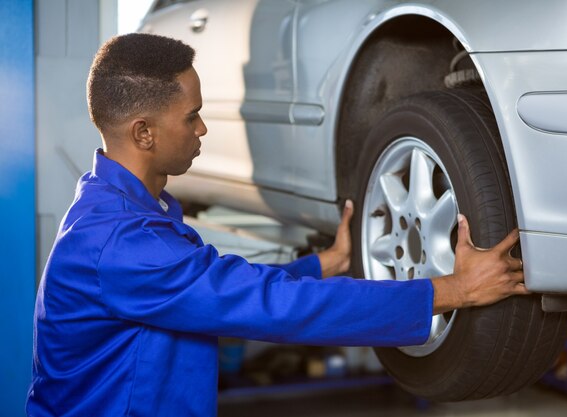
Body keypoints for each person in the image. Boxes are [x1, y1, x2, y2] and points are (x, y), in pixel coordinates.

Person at [26, 33, 528, 417]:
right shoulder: (120, 243)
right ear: (144, 132)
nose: (203, 128)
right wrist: (452, 290)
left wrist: (320, 266)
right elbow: (274, 308)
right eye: (192, 116)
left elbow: (222, 288)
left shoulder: (123, 211)